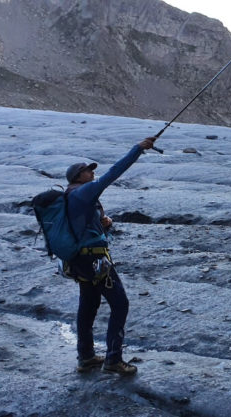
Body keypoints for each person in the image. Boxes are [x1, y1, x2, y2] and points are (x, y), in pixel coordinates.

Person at [64, 136, 155, 375]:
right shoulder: (85, 192)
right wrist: (137, 148)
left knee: (89, 305)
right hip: (95, 260)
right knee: (120, 303)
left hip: (78, 260)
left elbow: (82, 229)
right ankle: (113, 359)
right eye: (87, 171)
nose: (92, 173)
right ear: (77, 177)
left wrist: (104, 225)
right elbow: (114, 172)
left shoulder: (70, 196)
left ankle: (86, 357)